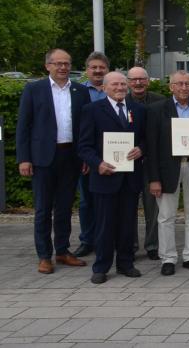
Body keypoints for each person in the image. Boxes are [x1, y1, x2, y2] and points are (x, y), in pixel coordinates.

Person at [16, 48, 90, 274]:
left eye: (66, 63)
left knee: (65, 208)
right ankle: (44, 255)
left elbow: (85, 128)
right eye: (58, 63)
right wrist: (24, 158)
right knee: (42, 209)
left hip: (71, 156)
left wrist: (85, 155)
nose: (63, 67)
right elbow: (24, 127)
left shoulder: (80, 90)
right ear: (47, 65)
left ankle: (62, 250)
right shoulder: (33, 89)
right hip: (43, 157)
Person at [77, 72, 146, 284]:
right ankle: (101, 266)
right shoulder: (92, 110)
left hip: (130, 178)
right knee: (105, 225)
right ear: (105, 87)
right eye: (115, 84)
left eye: (123, 84)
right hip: (105, 177)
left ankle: (125, 263)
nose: (120, 87)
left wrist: (141, 150)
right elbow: (84, 146)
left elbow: (146, 139)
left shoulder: (138, 110)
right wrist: (98, 164)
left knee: (127, 224)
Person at [145, 70, 189, 276]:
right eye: (179, 84)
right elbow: (152, 147)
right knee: (166, 216)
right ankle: (167, 258)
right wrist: (154, 179)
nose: (184, 87)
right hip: (167, 170)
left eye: (188, 84)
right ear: (171, 87)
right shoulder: (157, 110)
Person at [125, 66, 165, 260]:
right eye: (134, 80)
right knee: (128, 206)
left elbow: (163, 132)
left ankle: (152, 246)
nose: (138, 83)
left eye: (142, 79)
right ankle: (130, 245)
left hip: (152, 160)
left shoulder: (160, 101)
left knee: (153, 206)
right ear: (128, 82)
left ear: (148, 81)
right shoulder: (120, 101)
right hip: (128, 161)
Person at [76, 51, 109, 258]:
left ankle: (107, 238)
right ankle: (87, 240)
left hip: (114, 155)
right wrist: (85, 157)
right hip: (88, 157)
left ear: (107, 70)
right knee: (86, 200)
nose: (97, 71)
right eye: (93, 67)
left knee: (110, 200)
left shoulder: (115, 88)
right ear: (87, 70)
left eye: (101, 67)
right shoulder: (78, 92)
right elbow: (76, 127)